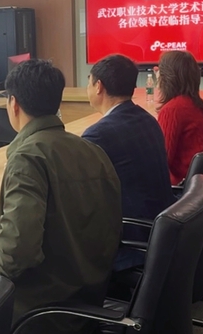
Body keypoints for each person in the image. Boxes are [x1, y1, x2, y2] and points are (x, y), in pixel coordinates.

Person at [0, 60, 122, 333]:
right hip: (90, 290)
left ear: (14, 104)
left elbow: (18, 253)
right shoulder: (92, 150)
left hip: (45, 306)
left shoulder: (28, 158)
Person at [82, 54, 175, 272]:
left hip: (131, 241)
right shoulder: (147, 119)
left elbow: (82, 198)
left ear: (98, 86)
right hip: (161, 231)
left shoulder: (98, 135)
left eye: (89, 82)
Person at [157, 50, 203, 185]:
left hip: (184, 187)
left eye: (159, 70)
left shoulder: (173, 110)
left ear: (166, 78)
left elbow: (160, 163)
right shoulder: (195, 103)